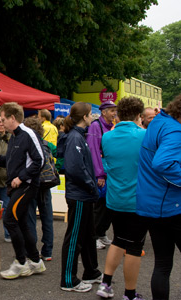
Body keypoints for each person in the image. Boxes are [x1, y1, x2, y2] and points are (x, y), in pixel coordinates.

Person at [96, 97, 147, 300]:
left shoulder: (107, 137)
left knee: (118, 240)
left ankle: (106, 283)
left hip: (115, 197)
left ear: (118, 114)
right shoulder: (144, 135)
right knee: (134, 247)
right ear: (138, 115)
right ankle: (130, 294)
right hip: (137, 200)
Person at [0, 102, 46, 280]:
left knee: (10, 220)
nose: (1, 123)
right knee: (20, 222)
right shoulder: (13, 136)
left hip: (26, 186)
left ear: (12, 118)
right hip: (16, 186)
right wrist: (0, 159)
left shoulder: (28, 134)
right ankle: (35, 262)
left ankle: (21, 263)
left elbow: (40, 160)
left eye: (3, 119)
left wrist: (21, 177)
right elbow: (14, 161)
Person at [136, 95, 181, 300]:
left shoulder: (160, 121)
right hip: (169, 205)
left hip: (153, 204)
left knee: (162, 263)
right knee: (163, 264)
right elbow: (162, 163)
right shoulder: (173, 129)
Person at [59, 102, 102, 293]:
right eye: (91, 114)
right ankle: (68, 279)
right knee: (74, 237)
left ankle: (91, 271)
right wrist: (91, 186)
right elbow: (76, 169)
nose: (93, 117)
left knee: (87, 235)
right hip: (79, 195)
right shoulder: (75, 137)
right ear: (84, 117)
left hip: (84, 194)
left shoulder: (78, 136)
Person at [23, 117, 55, 262]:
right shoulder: (47, 145)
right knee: (47, 218)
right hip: (46, 184)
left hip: (32, 185)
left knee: (30, 218)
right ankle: (47, 251)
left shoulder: (28, 144)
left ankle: (32, 251)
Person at [86, 100, 117, 250]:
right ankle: (94, 236)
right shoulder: (95, 126)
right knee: (99, 207)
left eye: (115, 110)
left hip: (110, 172)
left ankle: (102, 232)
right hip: (101, 172)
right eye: (111, 110)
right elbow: (93, 151)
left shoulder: (112, 126)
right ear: (103, 112)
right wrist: (99, 174)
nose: (114, 113)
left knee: (108, 206)